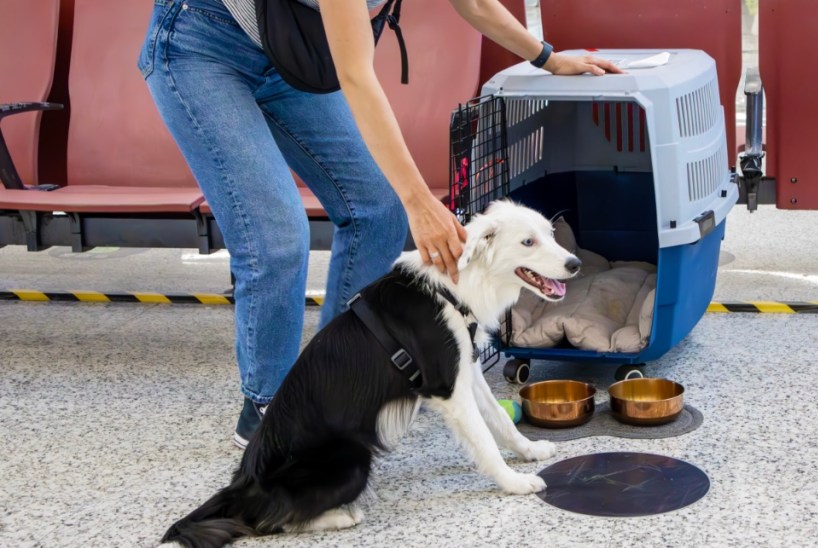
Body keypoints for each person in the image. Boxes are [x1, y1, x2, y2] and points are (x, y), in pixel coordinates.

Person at [137, 0, 621, 448]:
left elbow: (472, 2)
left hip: (291, 56)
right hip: (202, 45)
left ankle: (338, 382)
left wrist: (549, 59)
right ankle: (270, 408)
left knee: (377, 206)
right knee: (276, 240)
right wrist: (419, 202)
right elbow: (356, 75)